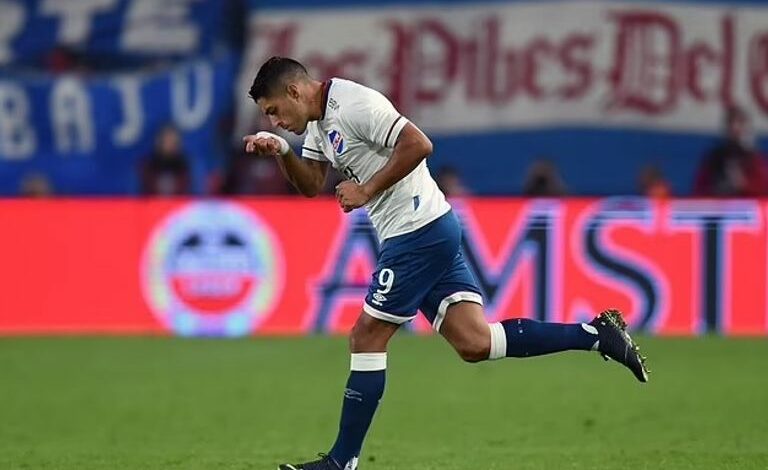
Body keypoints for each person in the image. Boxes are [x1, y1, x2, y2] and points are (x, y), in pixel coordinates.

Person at [242, 57, 649, 470]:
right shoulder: (316, 124)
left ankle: (342, 461)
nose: (275, 121)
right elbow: (312, 184)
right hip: (431, 228)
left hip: (416, 231)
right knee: (475, 343)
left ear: (294, 91)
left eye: (274, 111)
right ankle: (597, 335)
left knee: (366, 336)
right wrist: (282, 151)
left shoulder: (353, 104)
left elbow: (419, 144)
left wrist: (367, 190)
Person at [693, 105, 768, 197]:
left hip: (745, 203)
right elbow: (699, 189)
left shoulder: (755, 158)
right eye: (731, 124)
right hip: (719, 203)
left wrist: (744, 184)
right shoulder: (714, 157)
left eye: (740, 124)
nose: (735, 128)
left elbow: (764, 189)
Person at [140, 126, 191, 196]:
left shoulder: (186, 167)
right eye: (167, 141)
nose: (170, 145)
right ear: (159, 142)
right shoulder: (148, 166)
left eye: (173, 141)